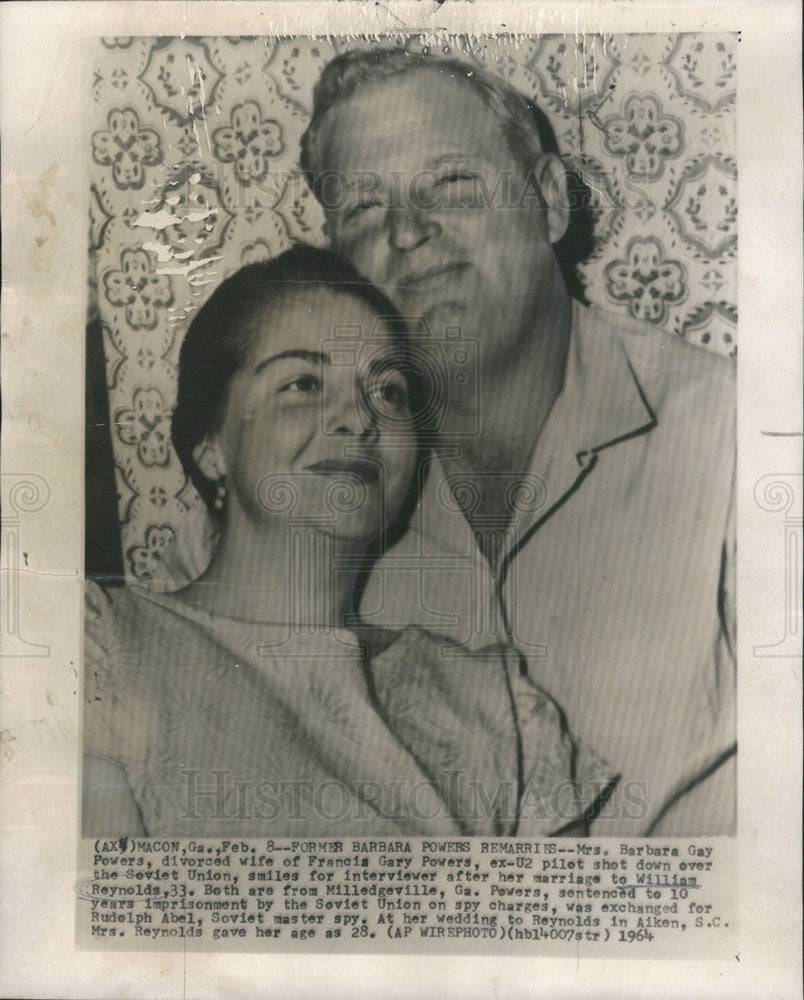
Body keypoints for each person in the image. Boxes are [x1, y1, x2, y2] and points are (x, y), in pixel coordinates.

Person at [295, 49, 736, 836]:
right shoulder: (298, 471)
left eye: (454, 185)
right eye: (362, 208)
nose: (406, 232)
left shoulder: (736, 438)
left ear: (551, 202)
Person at [83, 245, 615, 839]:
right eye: (303, 382)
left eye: (388, 392)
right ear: (211, 443)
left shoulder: (496, 705)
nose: (359, 418)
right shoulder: (102, 646)